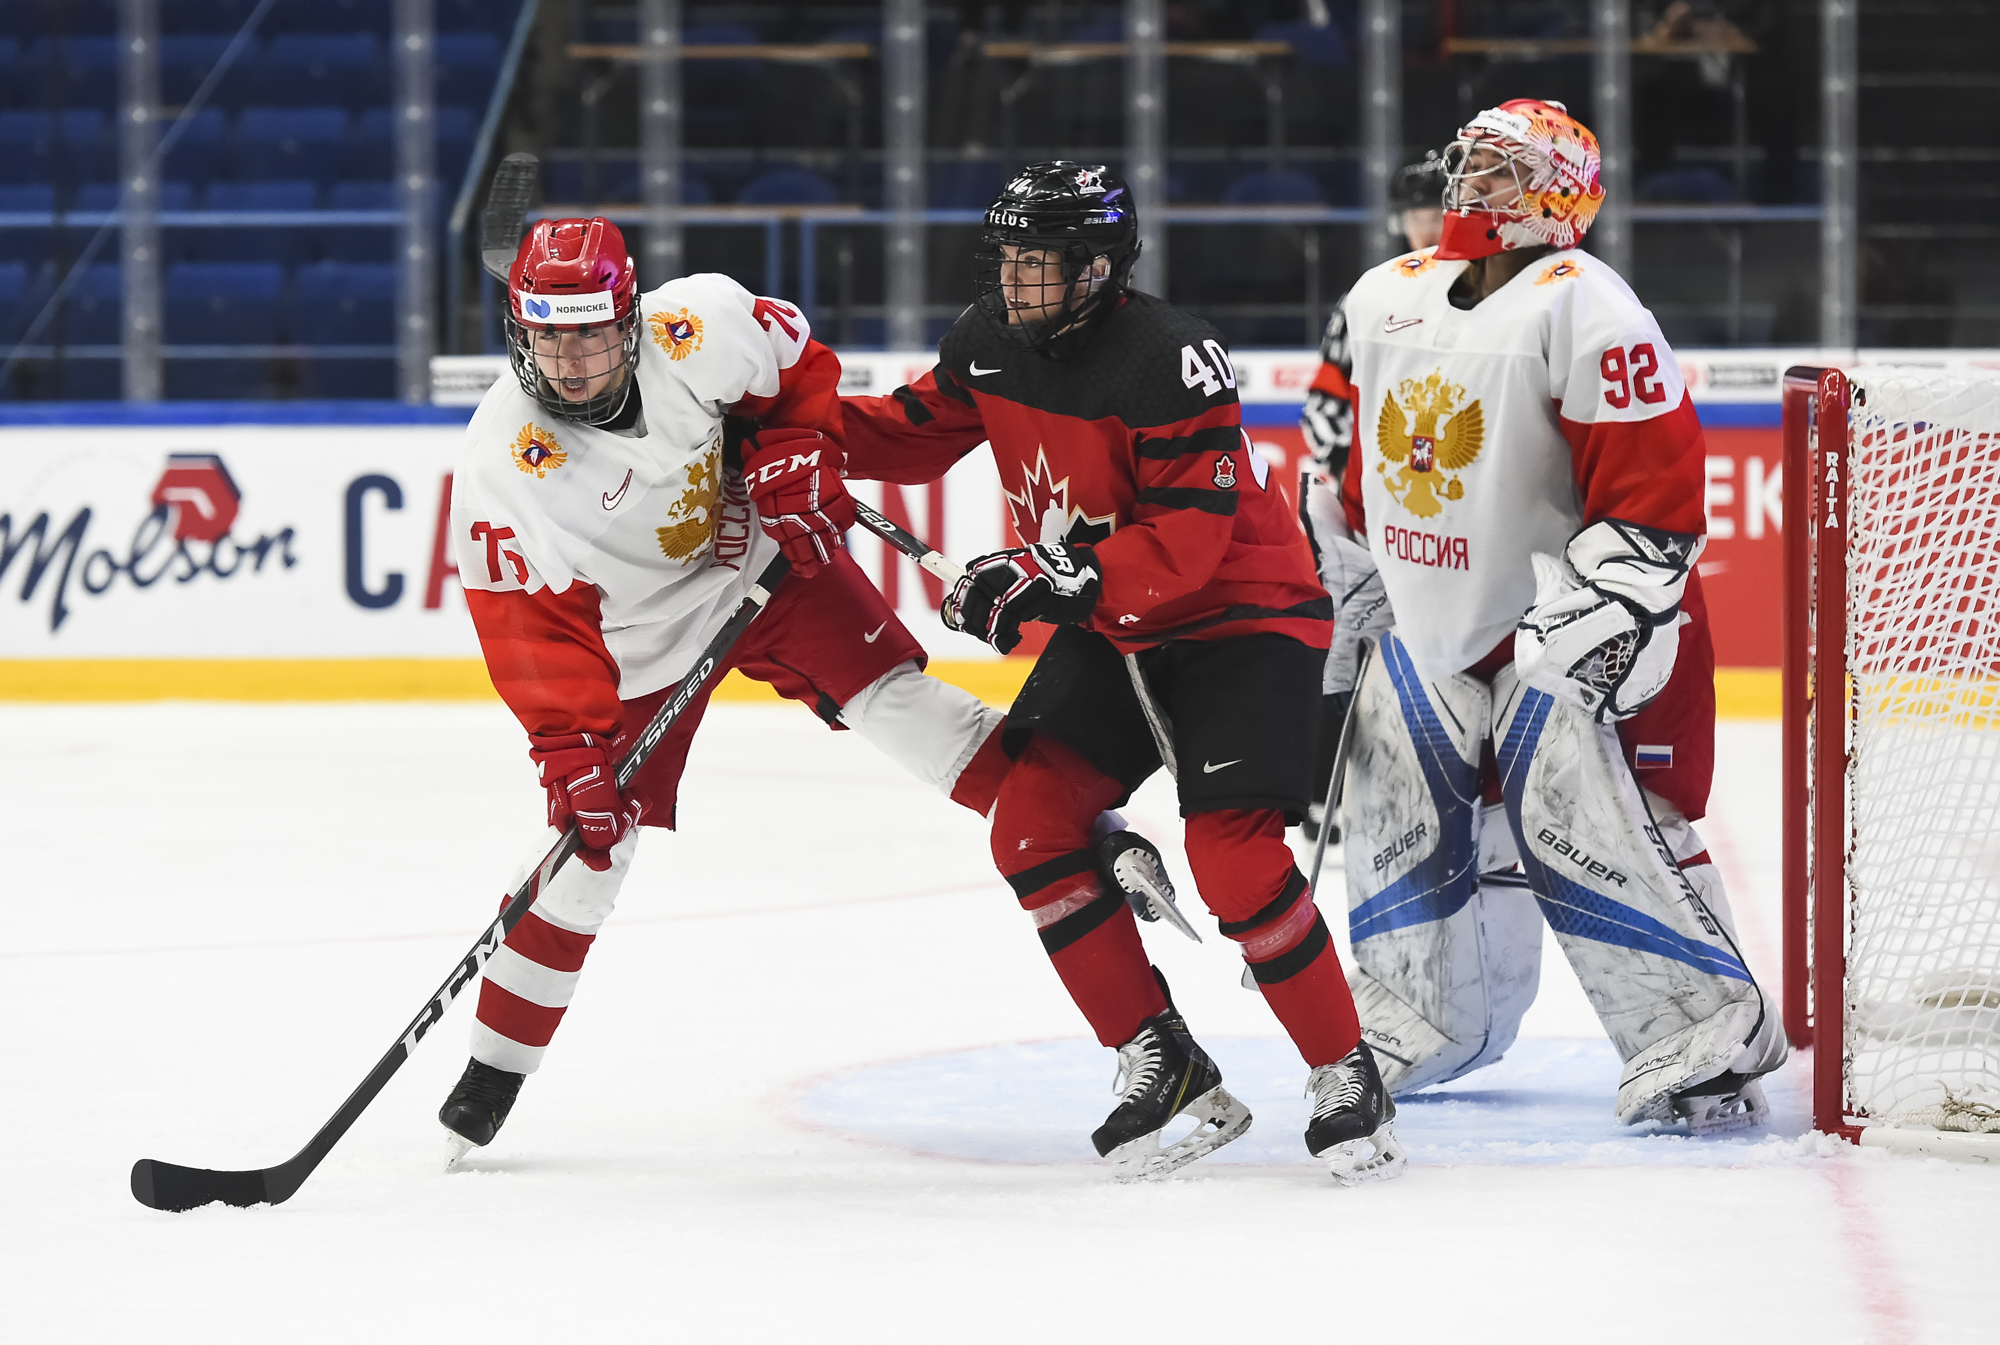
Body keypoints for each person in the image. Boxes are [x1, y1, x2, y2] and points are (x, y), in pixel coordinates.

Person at [840, 162, 1406, 1185]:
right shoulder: (988, 341)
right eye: (1006, 259)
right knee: (1028, 824)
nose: (1014, 282)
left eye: (1039, 263)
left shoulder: (1170, 359)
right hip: (1113, 620)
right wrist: (779, 431)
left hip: (1244, 614)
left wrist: (1040, 582)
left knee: (1231, 861)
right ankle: (1164, 1059)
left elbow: (1186, 547)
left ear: (1098, 267)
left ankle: (1343, 1070)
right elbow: (905, 436)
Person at [435, 216, 1024, 1163]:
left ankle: (1073, 826)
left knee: (901, 704)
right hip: (635, 641)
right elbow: (529, 628)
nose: (572, 358)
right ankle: (495, 1069)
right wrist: (568, 748)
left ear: (630, 317)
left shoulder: (697, 323)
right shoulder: (506, 459)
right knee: (589, 854)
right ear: (519, 330)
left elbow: (798, 376)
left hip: (761, 560)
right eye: (549, 333)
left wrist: (799, 445)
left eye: (591, 331)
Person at [1315, 99, 1787, 1133]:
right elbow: (1365, 469)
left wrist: (1605, 610)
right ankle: (1416, 1020)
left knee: (1606, 830)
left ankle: (1701, 1040)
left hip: (1566, 626)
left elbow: (1654, 498)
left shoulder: (1590, 306)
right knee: (1401, 821)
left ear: (1560, 195)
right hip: (1428, 616)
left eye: (1503, 169)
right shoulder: (1382, 294)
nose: (1473, 185)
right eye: (1470, 164)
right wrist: (1346, 561)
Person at [1296, 153, 1447, 843]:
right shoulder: (1375, 295)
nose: (1428, 224)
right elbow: (1324, 412)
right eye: (1418, 212)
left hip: (1455, 517)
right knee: (1338, 647)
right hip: (1375, 515)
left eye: (1436, 209)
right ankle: (1324, 794)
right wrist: (1365, 492)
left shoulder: (1503, 297)